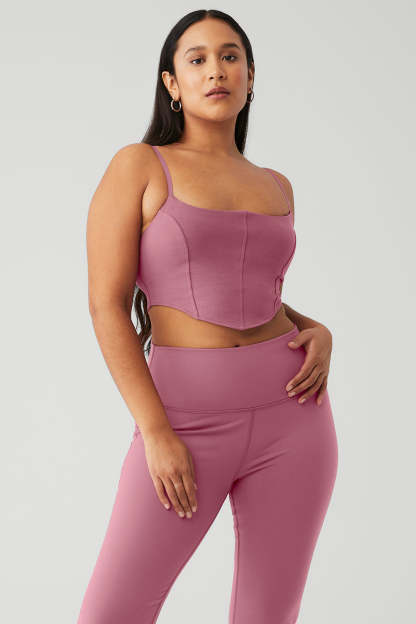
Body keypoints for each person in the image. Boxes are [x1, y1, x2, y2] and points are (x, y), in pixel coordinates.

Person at [77, 9, 338, 624]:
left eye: (230, 56)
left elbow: (251, 294)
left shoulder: (277, 185)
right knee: (111, 613)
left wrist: (317, 328)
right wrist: (156, 432)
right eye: (196, 59)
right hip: (183, 419)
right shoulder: (139, 165)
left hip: (295, 416)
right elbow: (107, 305)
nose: (215, 70)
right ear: (172, 83)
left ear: (251, 76)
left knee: (268, 615)